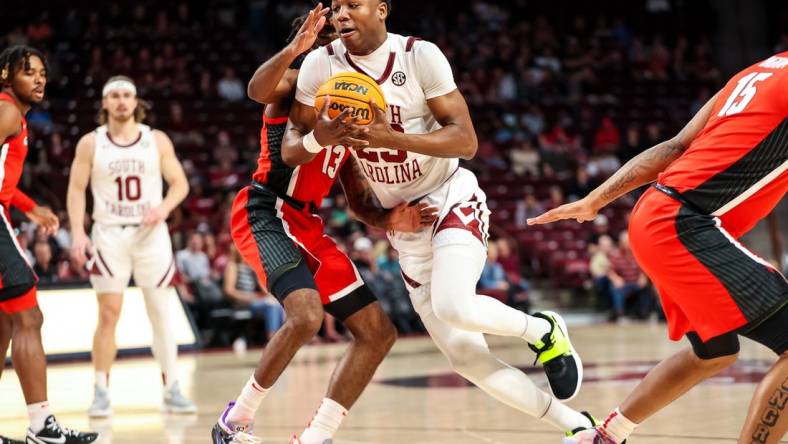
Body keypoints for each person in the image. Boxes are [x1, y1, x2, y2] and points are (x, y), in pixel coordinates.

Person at [283, 0, 595, 437]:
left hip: (448, 197)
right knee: (466, 358)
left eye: (354, 4)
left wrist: (393, 136)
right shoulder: (322, 65)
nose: (342, 16)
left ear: (382, 9)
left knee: (454, 304)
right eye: (336, 8)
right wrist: (387, 217)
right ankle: (578, 427)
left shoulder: (418, 55)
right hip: (407, 227)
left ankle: (542, 330)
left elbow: (466, 141)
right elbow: (300, 153)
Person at [529, 52, 788, 444]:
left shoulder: (754, 73)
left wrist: (595, 199)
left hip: (656, 214)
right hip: (686, 223)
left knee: (714, 352)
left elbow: (675, 146)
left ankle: (606, 436)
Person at [211, 5, 437, 443]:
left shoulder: (352, 104)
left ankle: (316, 436)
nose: (329, 44)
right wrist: (294, 49)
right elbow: (257, 90)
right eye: (316, 40)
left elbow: (358, 203)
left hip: (306, 223)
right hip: (266, 211)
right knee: (306, 316)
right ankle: (234, 421)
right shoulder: (292, 87)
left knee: (377, 332)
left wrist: (389, 217)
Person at [67, 75, 197, 417]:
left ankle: (171, 389)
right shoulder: (91, 143)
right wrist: (79, 234)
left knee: (161, 314)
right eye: (115, 96)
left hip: (151, 236)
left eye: (127, 95)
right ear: (105, 103)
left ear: (136, 101)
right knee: (108, 315)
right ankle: (100, 390)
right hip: (109, 235)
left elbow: (180, 184)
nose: (122, 101)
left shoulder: (155, 140)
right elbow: (77, 190)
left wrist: (164, 209)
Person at [0, 44, 98, 444]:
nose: (39, 78)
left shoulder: (15, 115)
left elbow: (3, 184)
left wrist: (30, 207)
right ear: (6, 75)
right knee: (29, 317)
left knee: (6, 321)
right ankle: (42, 426)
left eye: (42, 72)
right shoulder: (6, 110)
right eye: (28, 71)